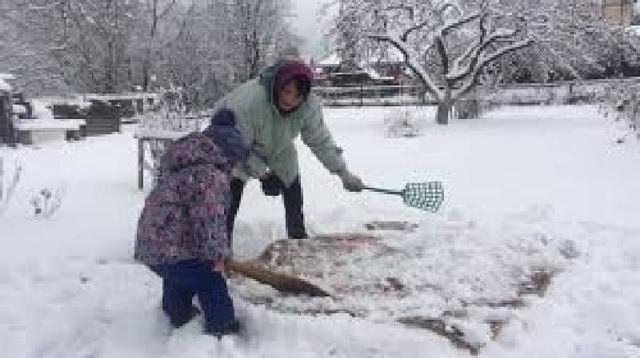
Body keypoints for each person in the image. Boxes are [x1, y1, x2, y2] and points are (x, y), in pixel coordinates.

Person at [212, 59, 365, 241]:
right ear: (277, 85)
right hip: (233, 145)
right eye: (287, 92)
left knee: (292, 188)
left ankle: (298, 239)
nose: (291, 100)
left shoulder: (308, 106)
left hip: (279, 145)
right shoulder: (250, 102)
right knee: (230, 196)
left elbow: (320, 140)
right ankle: (219, 249)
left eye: (298, 95)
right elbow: (236, 146)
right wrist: (264, 174)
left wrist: (342, 172)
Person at [134, 109, 248, 337]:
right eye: (234, 163)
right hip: (174, 246)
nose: (234, 170)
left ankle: (178, 312)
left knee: (177, 274)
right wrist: (217, 256)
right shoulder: (210, 176)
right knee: (210, 280)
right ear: (225, 156)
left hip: (151, 248)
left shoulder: (182, 169)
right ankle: (222, 325)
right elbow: (209, 220)